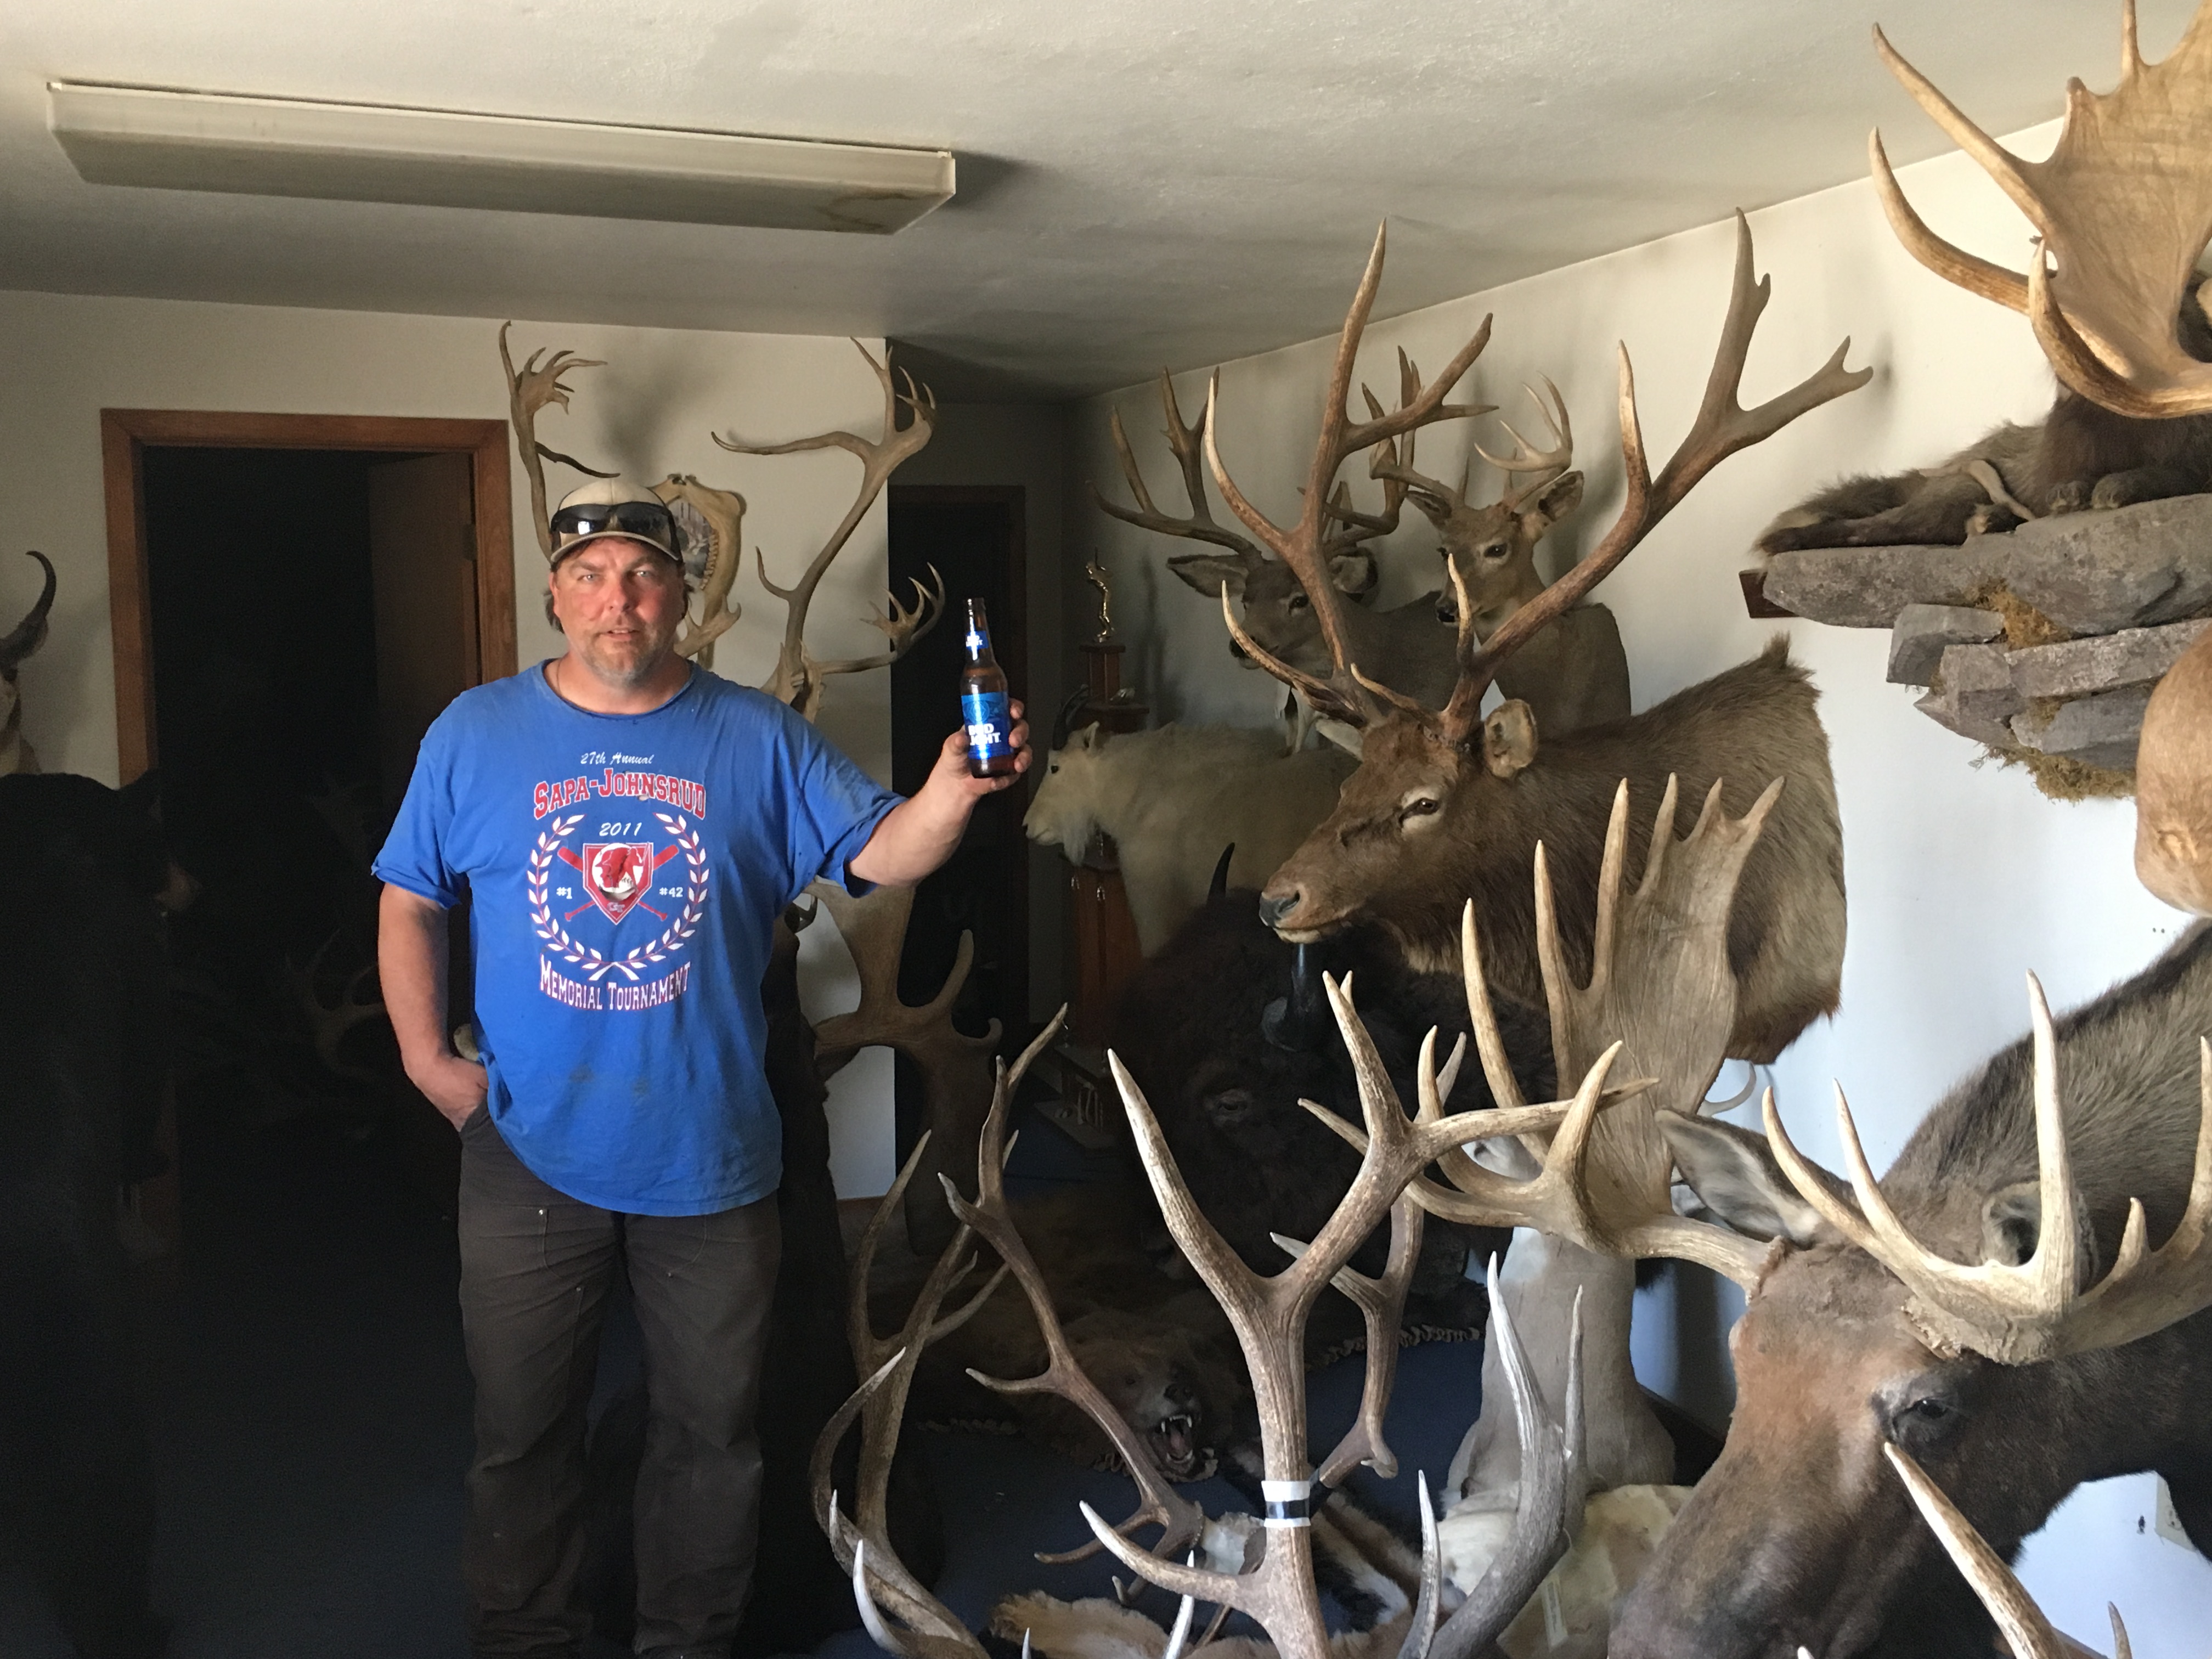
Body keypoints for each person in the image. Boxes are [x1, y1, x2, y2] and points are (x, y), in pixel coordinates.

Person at [373, 478, 1027, 1659]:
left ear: (681, 595)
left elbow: (884, 850)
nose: (616, 600)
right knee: (522, 1437)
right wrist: (425, 1061)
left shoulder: (756, 736)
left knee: (713, 1442)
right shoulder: (473, 733)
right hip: (527, 1152)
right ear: (556, 596)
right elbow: (411, 895)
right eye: (589, 577)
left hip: (713, 1160)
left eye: (642, 575)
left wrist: (954, 791)